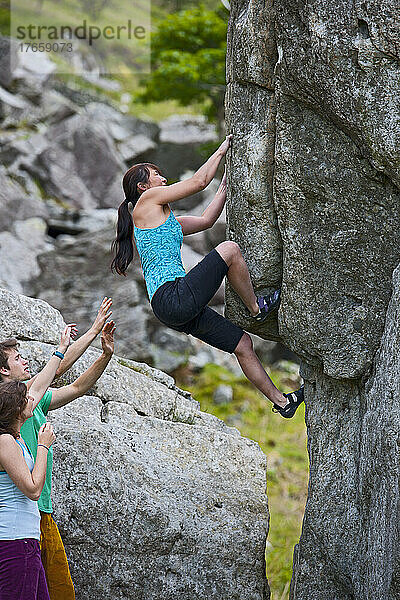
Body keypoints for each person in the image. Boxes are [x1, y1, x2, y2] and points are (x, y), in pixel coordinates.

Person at [111, 136, 304, 418]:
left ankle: (282, 402)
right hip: (172, 295)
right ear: (143, 187)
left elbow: (206, 221)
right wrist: (223, 149)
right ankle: (256, 308)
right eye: (156, 176)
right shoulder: (147, 201)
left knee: (242, 344)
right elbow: (198, 182)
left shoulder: (164, 220)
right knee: (229, 249)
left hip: (171, 307)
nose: (163, 179)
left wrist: (225, 185)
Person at [0, 298, 116, 600]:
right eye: (17, 359)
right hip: (19, 528)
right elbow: (55, 370)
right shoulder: (9, 412)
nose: (24, 361)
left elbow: (74, 386)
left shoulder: (23, 406)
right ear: (2, 371)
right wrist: (68, 344)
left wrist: (100, 348)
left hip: (37, 518)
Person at [0, 325, 71, 600]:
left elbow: (41, 385)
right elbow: (32, 490)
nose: (33, 399)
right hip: (13, 543)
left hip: (25, 541)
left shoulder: (14, 439)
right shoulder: (5, 441)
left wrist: (62, 348)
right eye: (26, 398)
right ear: (16, 408)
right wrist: (42, 446)